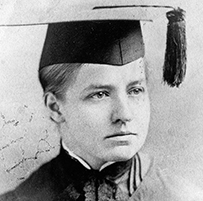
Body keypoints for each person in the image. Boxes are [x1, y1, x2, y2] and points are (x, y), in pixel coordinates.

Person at [1, 2, 202, 201]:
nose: (124, 114)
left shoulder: (181, 196)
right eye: (100, 94)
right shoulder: (23, 198)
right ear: (55, 107)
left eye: (135, 90)